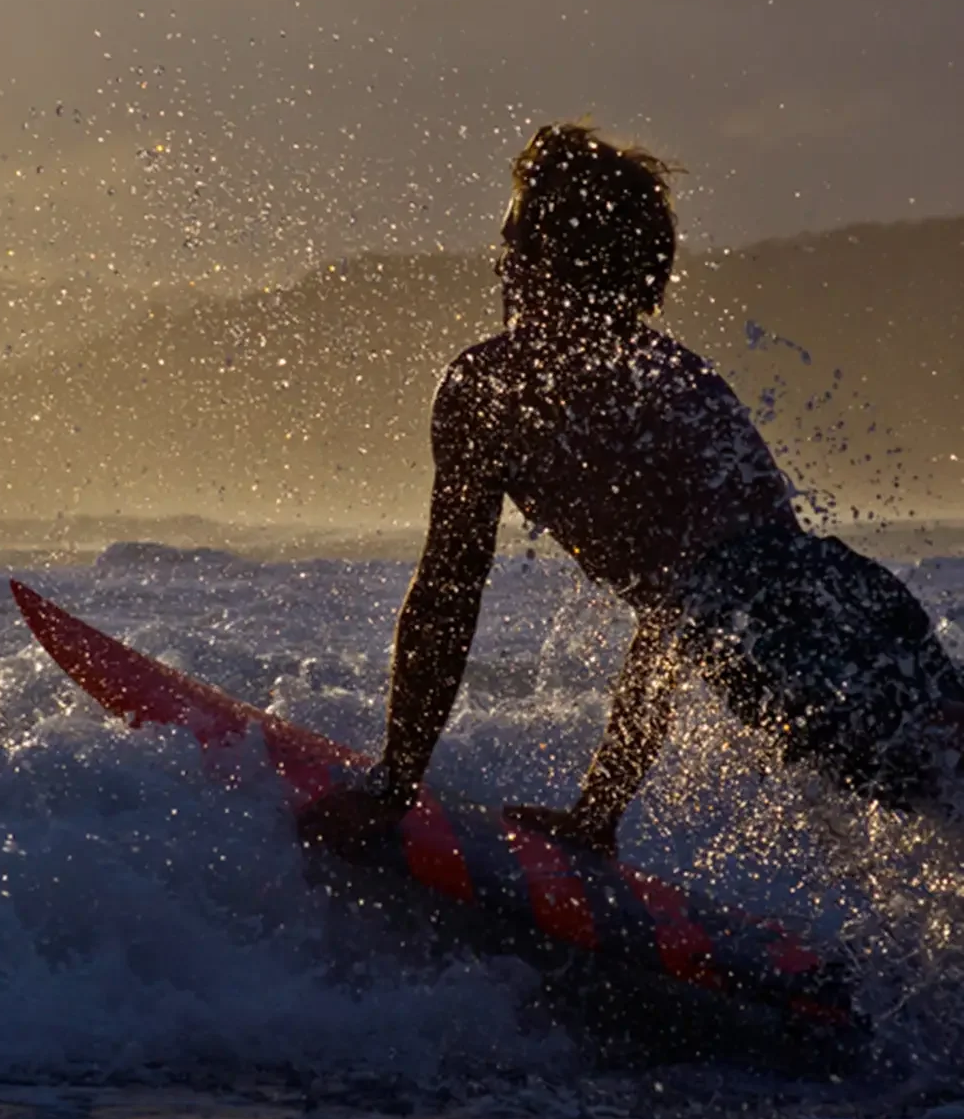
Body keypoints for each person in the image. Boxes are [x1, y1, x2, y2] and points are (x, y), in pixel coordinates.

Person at [307, 123, 964, 856]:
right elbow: (679, 613)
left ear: (546, 259)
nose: (502, 268)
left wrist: (393, 786)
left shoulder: (492, 387)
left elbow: (448, 593)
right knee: (944, 783)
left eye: (513, 245)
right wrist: (599, 813)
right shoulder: (686, 380)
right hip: (853, 601)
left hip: (778, 636)